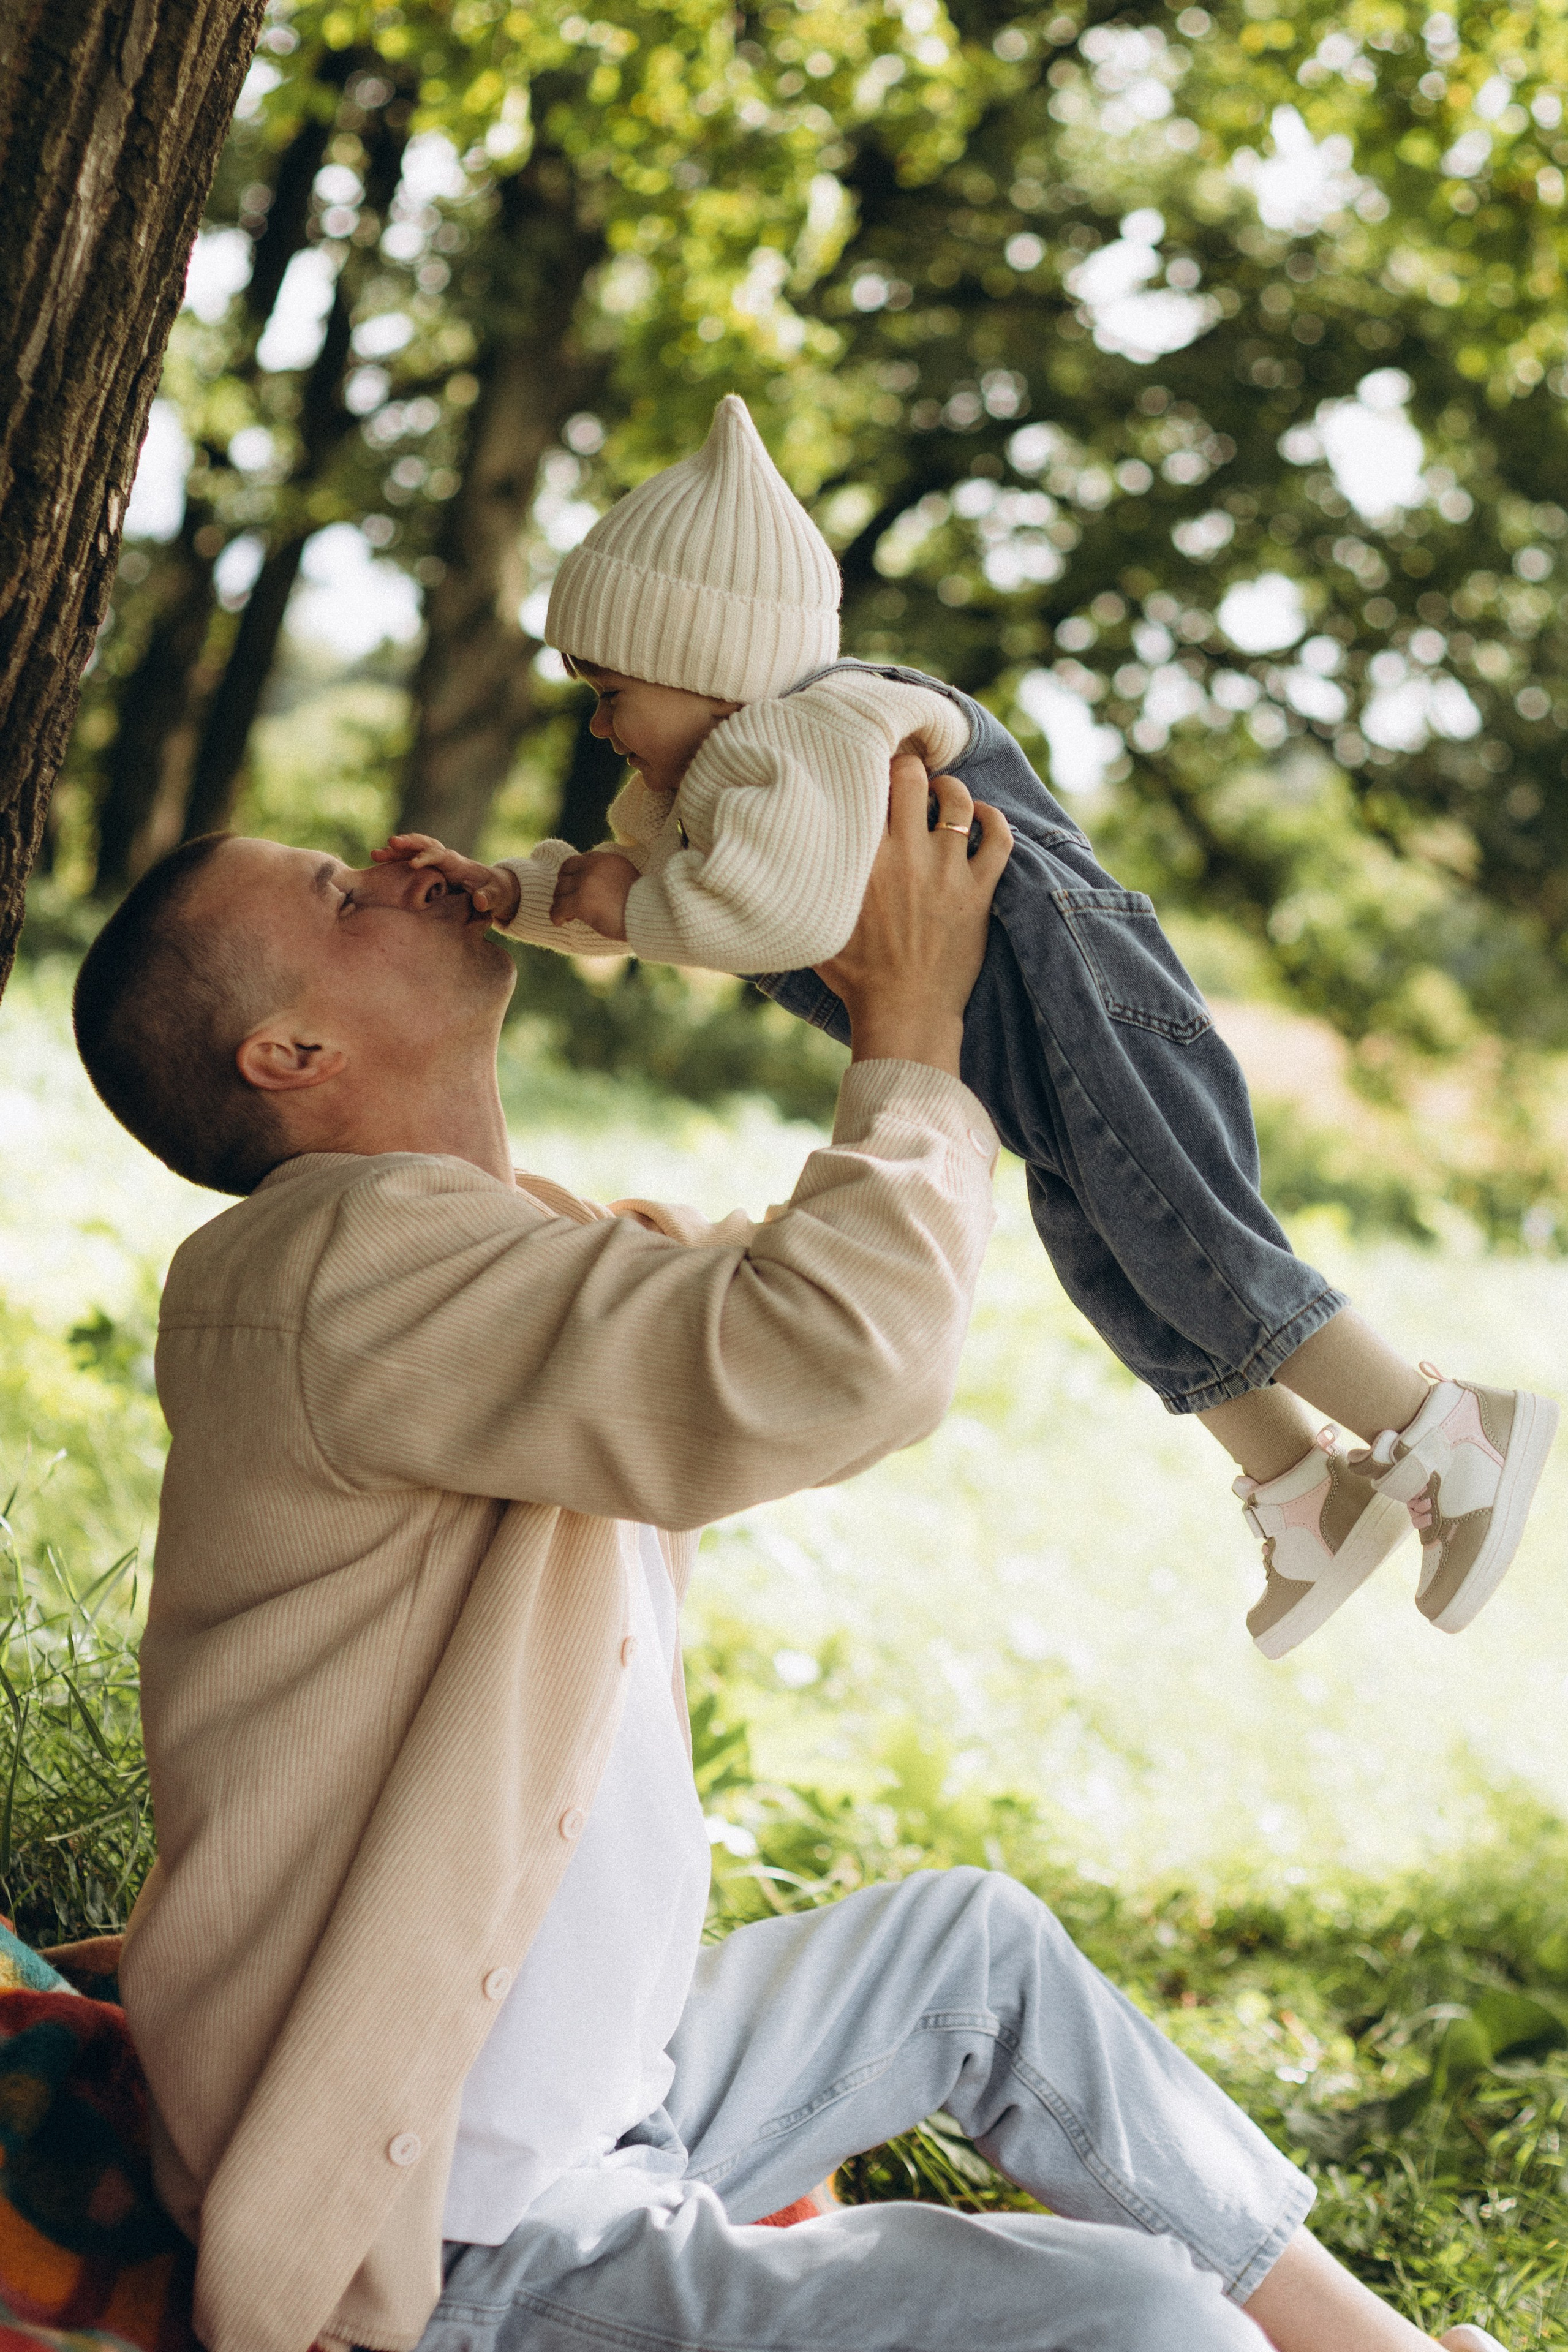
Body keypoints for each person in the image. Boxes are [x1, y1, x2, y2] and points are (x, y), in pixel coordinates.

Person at [73, 775, 1502, 2352]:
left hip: (609, 2088)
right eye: (343, 894)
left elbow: (764, 1287)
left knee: (970, 1949)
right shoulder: (332, 1269)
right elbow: (828, 1355)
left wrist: (769, 914)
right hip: (461, 2225)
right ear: (290, 1058)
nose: (410, 864)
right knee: (1142, 2331)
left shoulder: (487, 1247)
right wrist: (908, 1025)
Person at [380, 392, 1558, 1662]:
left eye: (610, 690)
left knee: (1181, 1227)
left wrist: (638, 903)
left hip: (1080, 995)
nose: (600, 724)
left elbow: (766, 906)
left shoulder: (816, 726)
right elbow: (637, 882)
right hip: (1019, 1036)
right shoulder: (710, 771)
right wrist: (525, 894)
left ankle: (1441, 1428)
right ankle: (1303, 1491)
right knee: (1108, 1251)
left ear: (710, 666)